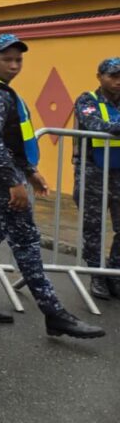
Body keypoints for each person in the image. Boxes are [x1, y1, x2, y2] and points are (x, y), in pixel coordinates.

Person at [0, 33, 104, 338]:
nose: (14, 65)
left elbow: (12, 139)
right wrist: (15, 182)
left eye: (19, 59)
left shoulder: (1, 91)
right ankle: (54, 312)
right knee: (25, 240)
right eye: (7, 59)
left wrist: (31, 172)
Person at [72, 57, 120, 300]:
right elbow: (94, 124)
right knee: (94, 228)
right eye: (113, 76)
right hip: (93, 173)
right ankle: (96, 276)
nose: (118, 81)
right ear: (100, 77)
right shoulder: (87, 100)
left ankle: (114, 274)